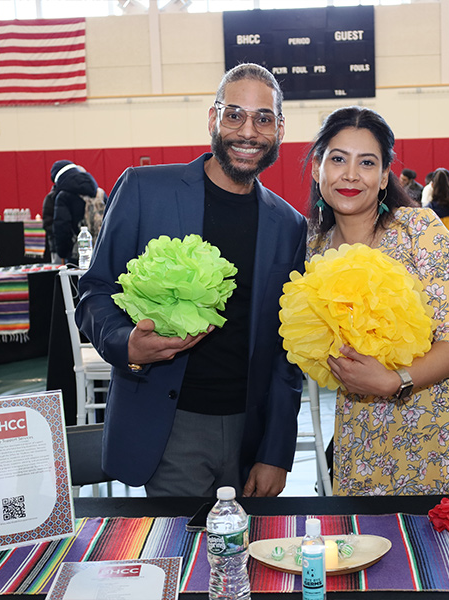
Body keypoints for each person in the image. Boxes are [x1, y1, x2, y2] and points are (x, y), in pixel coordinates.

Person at [75, 63, 306, 498]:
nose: (248, 131)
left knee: (246, 560)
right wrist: (126, 342)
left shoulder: (290, 225)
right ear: (212, 119)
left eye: (264, 118)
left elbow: (285, 353)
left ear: (280, 129)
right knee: (182, 557)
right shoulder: (145, 190)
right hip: (170, 423)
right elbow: (95, 292)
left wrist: (275, 451)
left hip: (248, 433)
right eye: (234, 114)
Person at [305, 105, 449, 496]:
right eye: (337, 159)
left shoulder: (419, 230)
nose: (350, 174)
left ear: (384, 176)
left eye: (366, 163)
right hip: (365, 437)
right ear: (319, 167)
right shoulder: (311, 248)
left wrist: (394, 380)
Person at [50, 160, 105, 264]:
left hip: (78, 255)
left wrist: (63, 252)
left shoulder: (63, 196)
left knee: (75, 280)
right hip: (101, 250)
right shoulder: (99, 192)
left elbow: (62, 227)